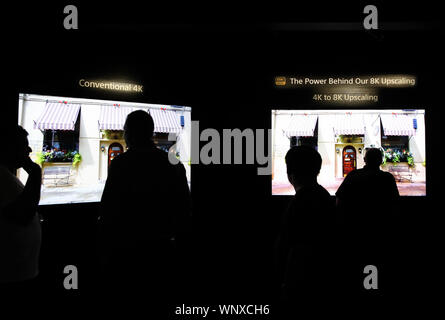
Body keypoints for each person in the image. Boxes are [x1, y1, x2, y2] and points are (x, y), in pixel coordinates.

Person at [96, 110, 191, 307]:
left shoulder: (121, 164)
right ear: (151, 132)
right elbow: (185, 212)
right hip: (163, 253)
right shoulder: (174, 165)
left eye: (125, 131)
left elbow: (108, 211)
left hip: (127, 255)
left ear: (129, 133)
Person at [274, 146, 335, 308]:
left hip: (300, 282)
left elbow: (287, 245)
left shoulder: (300, 201)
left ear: (290, 174)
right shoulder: (324, 196)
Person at [335, 148, 400, 296]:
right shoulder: (387, 179)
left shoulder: (353, 176)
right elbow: (395, 205)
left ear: (364, 160)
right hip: (380, 233)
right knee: (376, 265)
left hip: (355, 233)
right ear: (381, 160)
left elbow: (339, 201)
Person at [0, 125, 42, 293]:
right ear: (9, 147)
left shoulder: (6, 175)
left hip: (19, 272)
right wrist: (35, 172)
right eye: (24, 145)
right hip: (12, 277)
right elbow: (23, 213)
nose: (29, 149)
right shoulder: (1, 177)